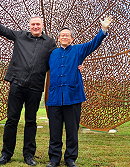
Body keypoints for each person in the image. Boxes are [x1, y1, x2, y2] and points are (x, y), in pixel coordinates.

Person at [0, 2, 56, 166]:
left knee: (31, 121)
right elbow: (2, 30)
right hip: (17, 84)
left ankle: (29, 155)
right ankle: (6, 154)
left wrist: (76, 63)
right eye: (33, 24)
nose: (35, 26)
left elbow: (58, 59)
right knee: (12, 120)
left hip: (35, 87)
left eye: (38, 24)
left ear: (42, 26)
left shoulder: (49, 43)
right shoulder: (20, 36)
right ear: (29, 26)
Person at [45, 15, 112, 167]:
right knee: (54, 131)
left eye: (67, 35)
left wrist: (103, 29)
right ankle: (54, 159)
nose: (64, 37)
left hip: (73, 97)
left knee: (72, 131)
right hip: (55, 97)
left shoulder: (78, 50)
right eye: (62, 35)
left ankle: (70, 159)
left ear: (72, 38)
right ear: (58, 38)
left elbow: (93, 44)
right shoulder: (52, 53)